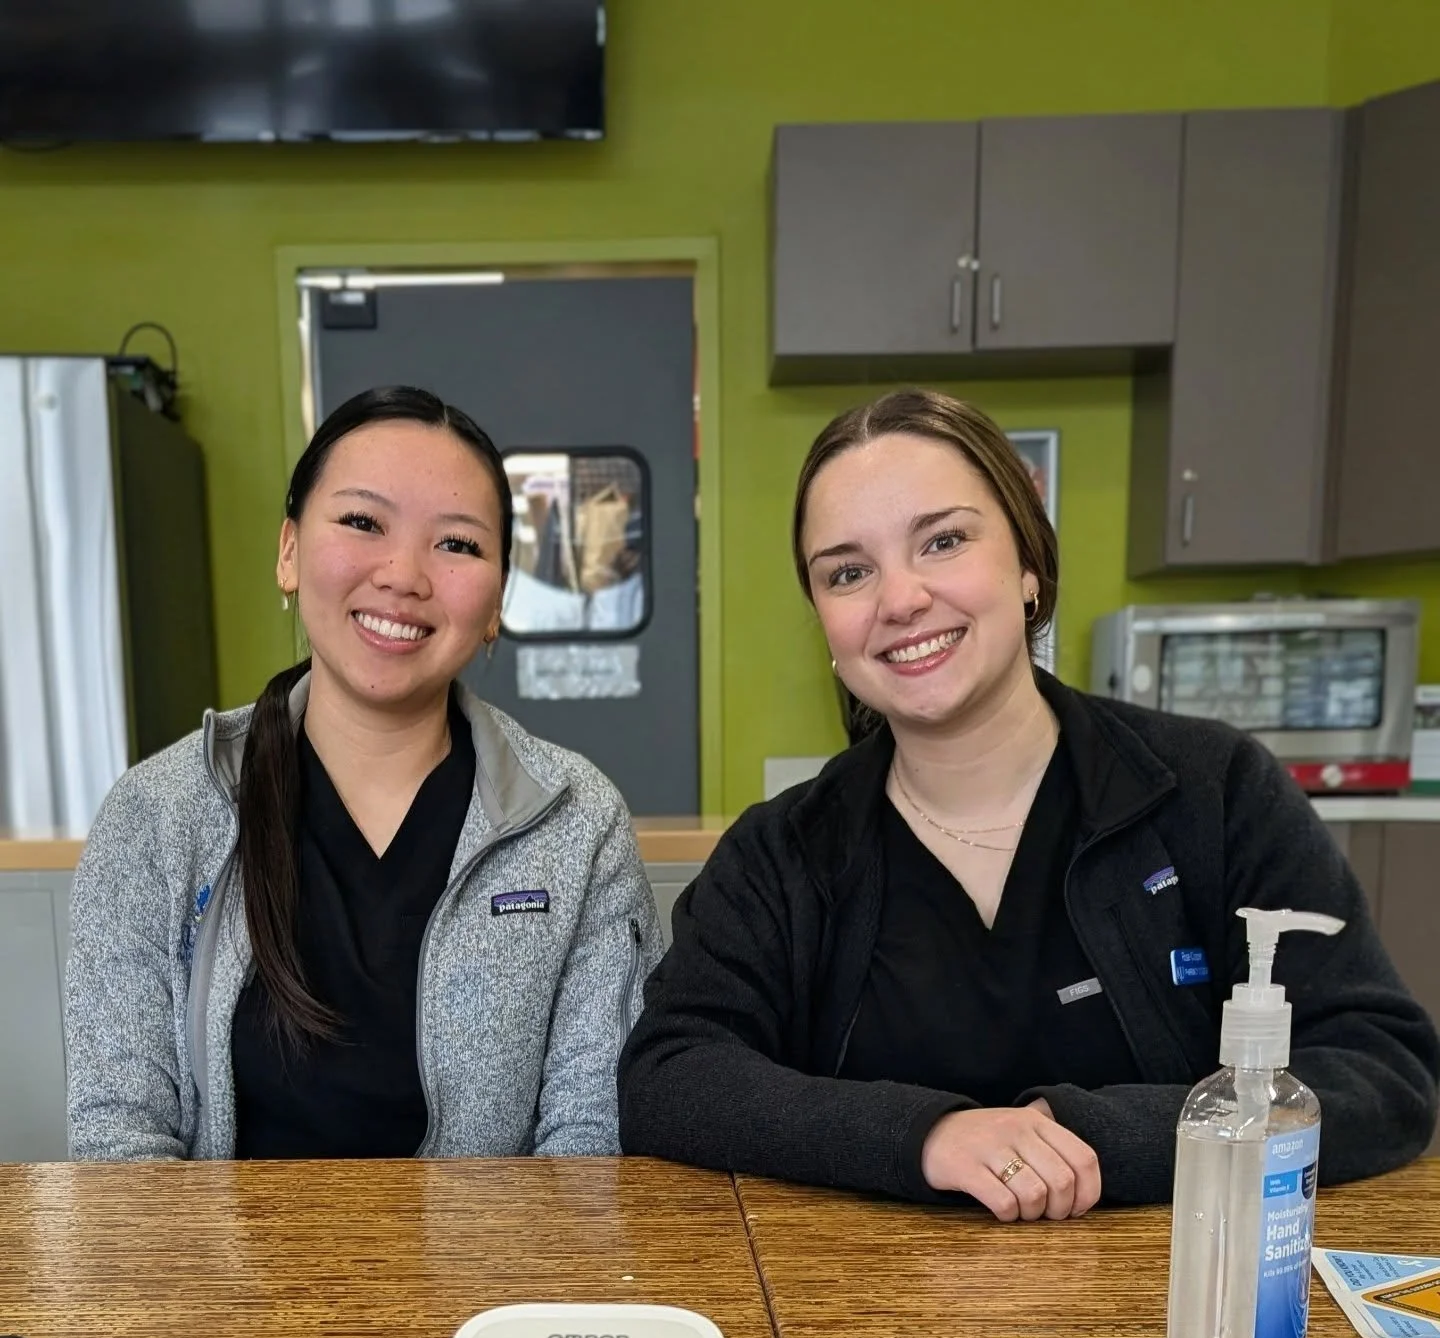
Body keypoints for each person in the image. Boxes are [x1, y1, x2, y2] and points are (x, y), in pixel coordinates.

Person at [618, 390, 1439, 1218]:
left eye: (943, 541)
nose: (899, 599)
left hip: (1182, 1300)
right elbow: (670, 1076)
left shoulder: (1211, 790)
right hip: (861, 1314)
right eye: (849, 572)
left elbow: (1381, 1070)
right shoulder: (783, 850)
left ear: (1027, 567)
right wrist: (927, 1135)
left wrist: (1092, 1137)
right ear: (826, 622)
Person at [67, 385, 662, 1161]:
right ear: (288, 550)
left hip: (495, 1277)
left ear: (495, 606)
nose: (404, 574)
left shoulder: (578, 821)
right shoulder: (159, 814)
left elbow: (589, 1141)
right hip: (226, 1281)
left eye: (457, 544)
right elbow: (119, 1140)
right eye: (362, 522)